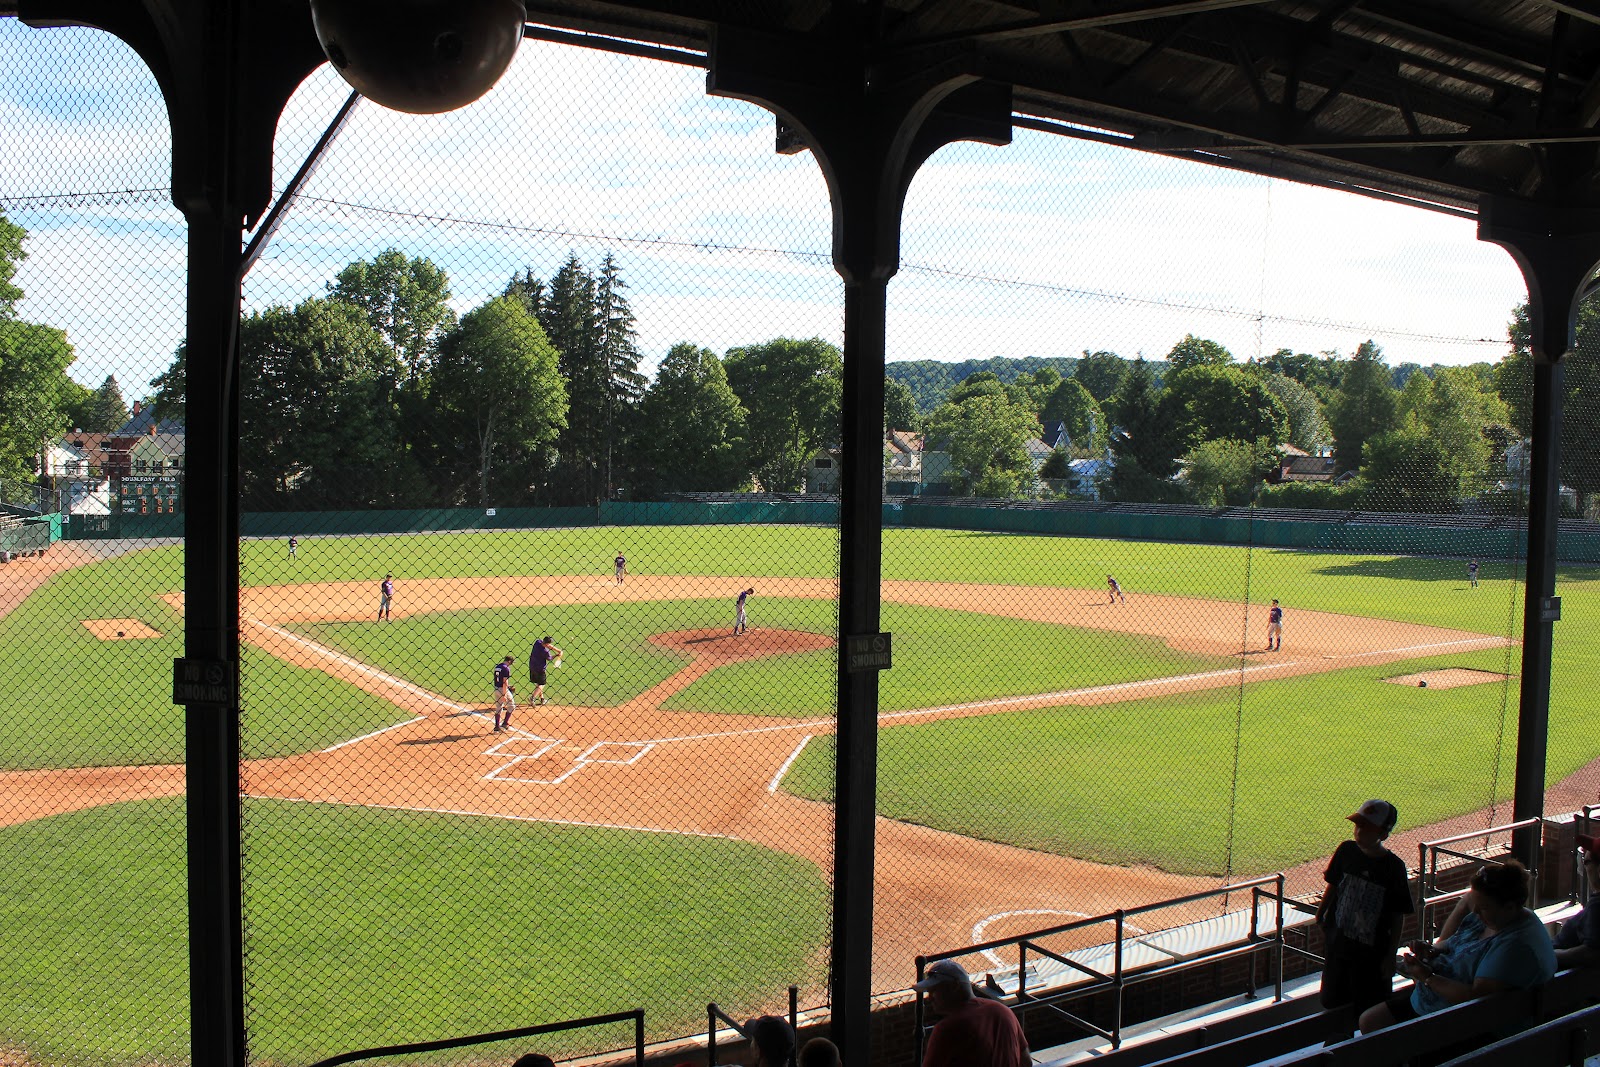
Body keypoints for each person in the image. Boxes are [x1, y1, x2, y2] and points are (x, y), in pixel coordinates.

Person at [1359, 859, 1556, 1033]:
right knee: (1369, 1020)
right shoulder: (1496, 918)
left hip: (1456, 1024)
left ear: (1510, 906)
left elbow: (1475, 999)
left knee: (1371, 1029)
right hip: (1435, 1002)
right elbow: (1454, 942)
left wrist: (1426, 977)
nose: (1476, 911)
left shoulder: (1515, 945)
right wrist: (1432, 951)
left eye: (1484, 906)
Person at [1317, 799, 1414, 1016]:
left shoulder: (1394, 867)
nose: (1359, 830)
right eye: (1358, 824)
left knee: (1369, 1004)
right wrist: (1320, 913)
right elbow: (1333, 884)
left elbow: (1398, 915)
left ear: (1383, 834)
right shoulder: (1346, 851)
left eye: (1367, 827)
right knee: (1332, 1002)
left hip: (1371, 955)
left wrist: (1390, 956)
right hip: (1339, 946)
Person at [915, 959, 1029, 1067]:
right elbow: (1026, 1062)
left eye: (934, 991)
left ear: (954, 987)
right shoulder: (1002, 1010)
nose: (930, 998)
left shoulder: (947, 1028)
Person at [1554, 834, 1600, 966]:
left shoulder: (1597, 907)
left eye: (1586, 862)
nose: (1584, 868)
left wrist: (1547, 955)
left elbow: (1592, 952)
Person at [528, 635, 563, 706]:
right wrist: (557, 655)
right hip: (540, 669)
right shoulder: (545, 651)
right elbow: (549, 658)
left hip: (532, 666)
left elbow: (548, 646)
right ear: (547, 643)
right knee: (542, 684)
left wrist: (558, 650)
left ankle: (542, 699)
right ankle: (532, 698)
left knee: (538, 683)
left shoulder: (537, 642)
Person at [492, 655, 516, 732]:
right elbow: (505, 682)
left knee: (499, 707)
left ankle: (496, 728)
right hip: (503, 689)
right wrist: (504, 694)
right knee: (512, 706)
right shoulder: (506, 668)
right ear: (509, 661)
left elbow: (498, 679)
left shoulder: (497, 667)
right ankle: (505, 724)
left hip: (496, 689)